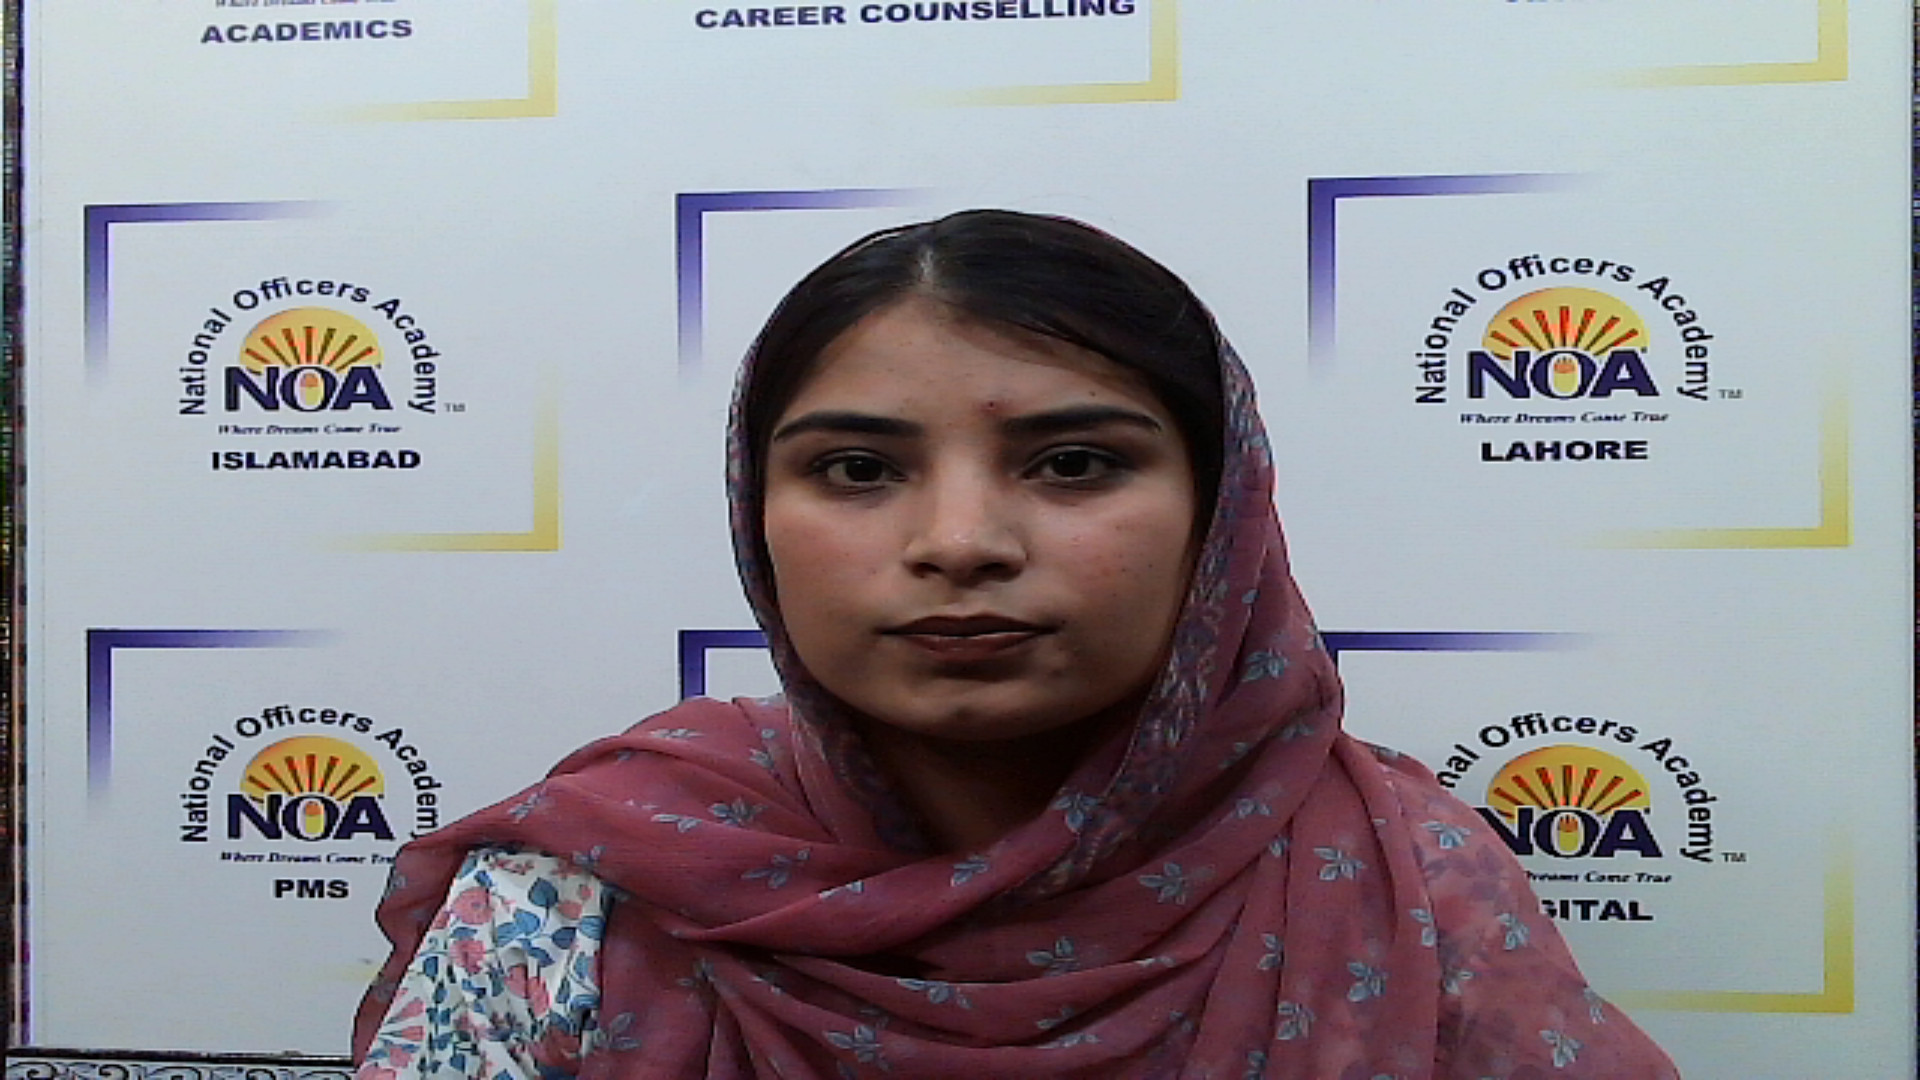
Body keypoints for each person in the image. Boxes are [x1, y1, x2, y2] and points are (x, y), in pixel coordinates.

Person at [352, 210, 1680, 1078]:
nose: (961, 541)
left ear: (1220, 516)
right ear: (760, 515)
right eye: (859, 470)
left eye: (1074, 463)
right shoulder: (584, 891)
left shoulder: (1405, 878)